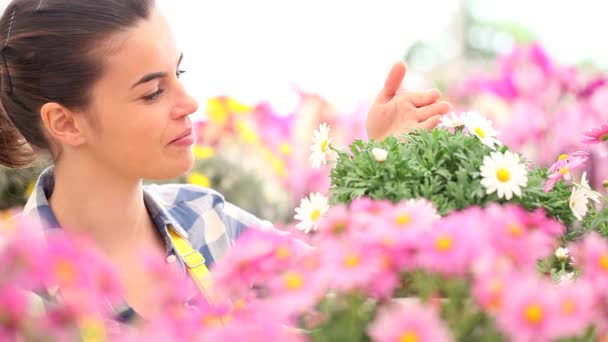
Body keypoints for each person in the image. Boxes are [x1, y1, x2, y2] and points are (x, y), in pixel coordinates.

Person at [0, 0, 451, 320]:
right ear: (65, 122)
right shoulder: (16, 288)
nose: (189, 102)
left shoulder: (208, 223)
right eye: (153, 92)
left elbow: (346, 288)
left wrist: (382, 157)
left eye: (179, 74)